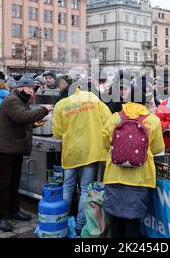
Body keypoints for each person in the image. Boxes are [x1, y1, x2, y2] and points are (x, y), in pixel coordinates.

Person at [102, 76, 165, 238]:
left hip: (114, 176)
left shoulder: (115, 118)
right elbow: (158, 149)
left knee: (115, 220)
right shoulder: (153, 120)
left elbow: (105, 142)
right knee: (133, 222)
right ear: (145, 102)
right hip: (141, 178)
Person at [52, 82, 112, 236]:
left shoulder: (61, 104)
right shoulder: (92, 97)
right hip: (91, 150)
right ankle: (80, 226)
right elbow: (108, 120)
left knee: (67, 186)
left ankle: (61, 222)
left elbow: (57, 132)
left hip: (71, 151)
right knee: (85, 189)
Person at [0, 77, 50, 232]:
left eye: (33, 89)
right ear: (21, 87)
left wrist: (33, 123)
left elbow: (22, 121)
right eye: (30, 88)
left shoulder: (22, 100)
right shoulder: (12, 100)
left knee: (14, 182)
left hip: (15, 148)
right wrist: (44, 109)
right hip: (5, 149)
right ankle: (1, 217)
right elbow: (22, 117)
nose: (32, 91)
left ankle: (13, 210)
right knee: (4, 185)